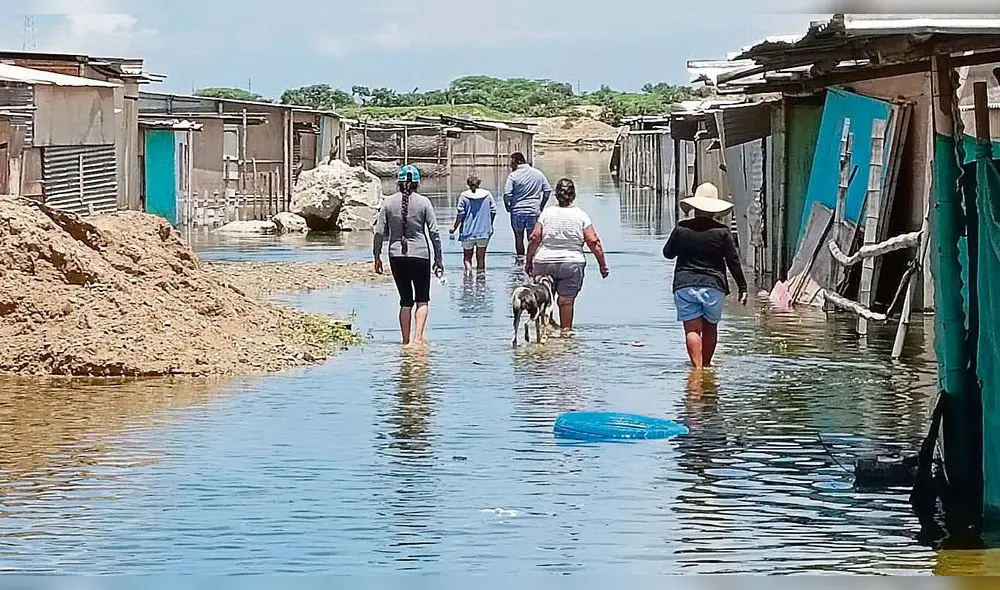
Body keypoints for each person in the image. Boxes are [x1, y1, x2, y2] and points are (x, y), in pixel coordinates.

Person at [663, 182, 748, 369]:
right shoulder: (723, 232)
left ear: (694, 207)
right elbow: (733, 262)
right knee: (710, 327)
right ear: (715, 210)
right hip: (714, 286)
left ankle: (697, 369)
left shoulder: (682, 229)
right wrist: (743, 287)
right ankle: (707, 366)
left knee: (692, 329)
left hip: (685, 284)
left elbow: (667, 253)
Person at [525, 178, 609, 336]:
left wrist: (528, 260)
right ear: (574, 195)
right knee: (566, 301)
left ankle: (546, 332)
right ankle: (566, 334)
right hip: (572, 263)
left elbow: (534, 237)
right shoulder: (581, 215)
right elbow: (593, 241)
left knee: (544, 300)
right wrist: (602, 265)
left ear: (556, 195)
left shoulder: (547, 213)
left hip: (544, 262)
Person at [373, 165, 444, 346]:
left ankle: (405, 342)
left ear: (398, 182)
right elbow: (434, 233)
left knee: (405, 300)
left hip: (396, 255)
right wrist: (438, 259)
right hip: (420, 255)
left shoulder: (388, 202)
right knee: (422, 299)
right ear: (417, 184)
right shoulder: (424, 202)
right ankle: (418, 340)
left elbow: (379, 232)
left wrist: (377, 255)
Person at [503, 152, 552, 264]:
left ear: (516, 161)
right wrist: (541, 205)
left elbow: (507, 194)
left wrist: (507, 205)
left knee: (518, 238)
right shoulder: (538, 174)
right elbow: (547, 191)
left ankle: (520, 263)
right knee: (533, 239)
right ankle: (532, 261)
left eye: (511, 162)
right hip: (534, 212)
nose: (510, 165)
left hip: (517, 211)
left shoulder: (513, 176)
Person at [449, 174, 497, 274]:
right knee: (481, 259)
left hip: (467, 232)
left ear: (468, 183)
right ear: (479, 183)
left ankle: (467, 280)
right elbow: (493, 211)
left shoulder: (464, 196)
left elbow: (460, 214)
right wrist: (489, 224)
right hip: (484, 233)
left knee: (467, 257)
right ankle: (481, 281)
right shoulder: (487, 195)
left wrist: (454, 227)